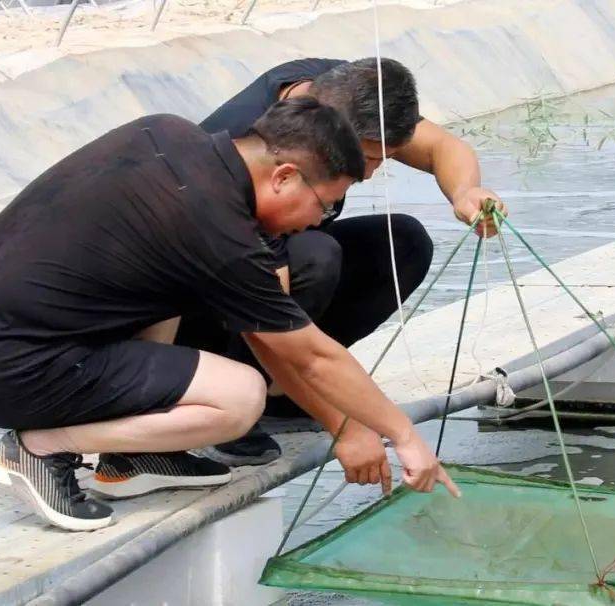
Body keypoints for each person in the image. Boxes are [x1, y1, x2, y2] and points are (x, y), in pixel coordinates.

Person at [0, 98, 459, 532]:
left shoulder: (166, 132)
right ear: (284, 176)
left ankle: (130, 456)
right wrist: (402, 436)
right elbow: (310, 356)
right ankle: (40, 449)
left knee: (170, 291)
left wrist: (346, 424)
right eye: (324, 205)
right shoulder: (216, 229)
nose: (318, 221)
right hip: (10, 364)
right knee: (241, 398)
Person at [185, 58, 507, 480]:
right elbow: (263, 311)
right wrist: (348, 425)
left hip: (273, 273)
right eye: (370, 158)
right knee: (315, 256)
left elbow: (441, 147)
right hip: (205, 302)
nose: (371, 173)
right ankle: (233, 403)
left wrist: (466, 192)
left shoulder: (345, 86)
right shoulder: (248, 140)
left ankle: (283, 398)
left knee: (403, 242)